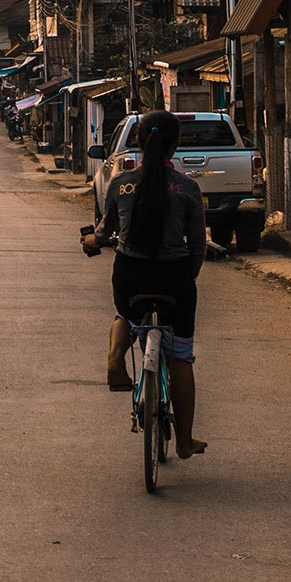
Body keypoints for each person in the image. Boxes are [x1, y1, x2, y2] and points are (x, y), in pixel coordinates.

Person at [83, 111, 207, 459]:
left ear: (138, 142)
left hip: (130, 275)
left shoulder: (121, 184)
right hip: (175, 278)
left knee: (124, 313)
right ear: (175, 144)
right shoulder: (188, 188)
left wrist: (93, 240)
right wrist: (189, 279)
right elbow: (197, 245)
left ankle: (114, 357)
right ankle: (184, 440)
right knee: (181, 356)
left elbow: (104, 231)